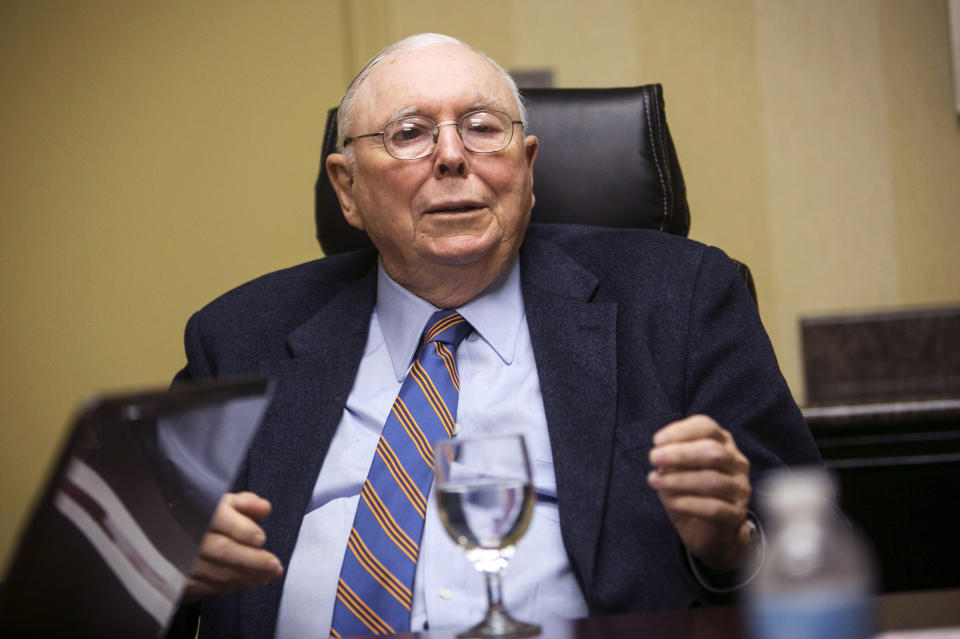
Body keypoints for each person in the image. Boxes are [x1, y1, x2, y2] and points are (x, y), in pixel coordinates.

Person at [171, 33, 821, 638]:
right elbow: (122, 575)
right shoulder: (240, 336)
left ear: (527, 168)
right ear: (347, 188)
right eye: (409, 133)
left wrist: (731, 543)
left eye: (483, 129)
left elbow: (817, 551)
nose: (453, 156)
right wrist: (163, 568)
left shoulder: (678, 300)